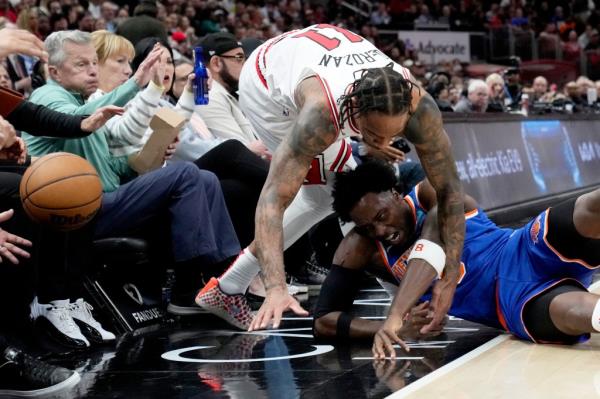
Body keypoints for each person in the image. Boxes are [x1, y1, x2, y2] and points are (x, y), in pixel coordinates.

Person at [196, 24, 465, 334]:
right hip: (265, 84)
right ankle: (231, 287)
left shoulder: (421, 107)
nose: (383, 141)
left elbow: (450, 192)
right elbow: (272, 200)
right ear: (354, 110)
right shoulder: (321, 114)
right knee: (331, 197)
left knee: (347, 196)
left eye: (395, 133)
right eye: (375, 133)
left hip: (316, 53)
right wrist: (276, 286)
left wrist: (448, 280)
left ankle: (229, 285)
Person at [23, 30, 240, 329]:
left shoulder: (81, 99)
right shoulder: (49, 97)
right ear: (54, 71)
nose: (91, 71)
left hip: (105, 199)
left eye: (93, 64)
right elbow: (80, 121)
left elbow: (111, 166)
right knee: (188, 172)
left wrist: (153, 154)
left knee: (205, 178)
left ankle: (225, 278)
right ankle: (187, 289)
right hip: (76, 212)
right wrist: (137, 83)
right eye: (81, 64)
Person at [313, 161, 600, 359]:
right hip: (509, 302)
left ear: (396, 194)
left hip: (522, 248)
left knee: (587, 208)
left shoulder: (427, 195)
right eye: (366, 227)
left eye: (381, 217)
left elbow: (432, 240)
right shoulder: (361, 247)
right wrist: (393, 329)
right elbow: (324, 321)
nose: (380, 231)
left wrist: (395, 317)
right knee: (580, 312)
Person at [195, 32, 270, 158]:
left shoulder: (225, 94)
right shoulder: (210, 97)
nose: (245, 65)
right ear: (216, 63)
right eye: (239, 58)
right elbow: (240, 154)